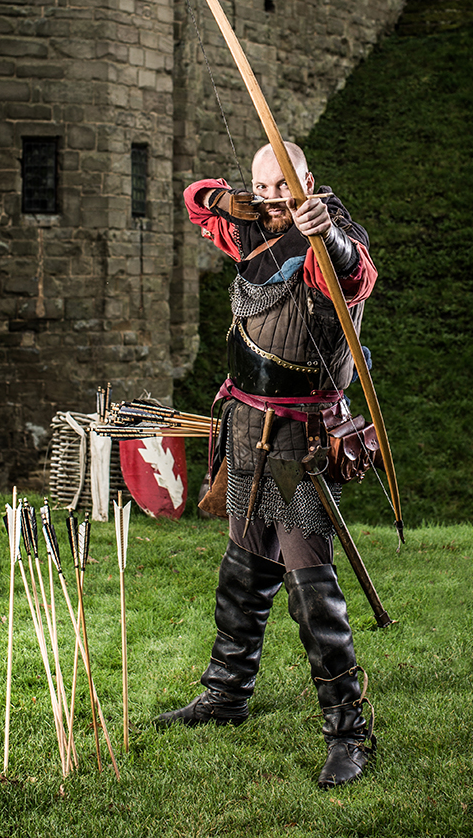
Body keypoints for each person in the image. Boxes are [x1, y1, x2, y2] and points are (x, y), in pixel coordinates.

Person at [155, 141, 378, 788]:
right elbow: (198, 202)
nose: (275, 194)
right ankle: (227, 693)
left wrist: (323, 231)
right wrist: (235, 197)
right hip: (243, 426)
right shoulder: (255, 231)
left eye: (286, 183)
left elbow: (351, 275)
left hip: (296, 442)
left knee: (310, 588)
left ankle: (349, 732)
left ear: (309, 180)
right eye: (264, 184)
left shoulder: (327, 240)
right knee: (244, 567)